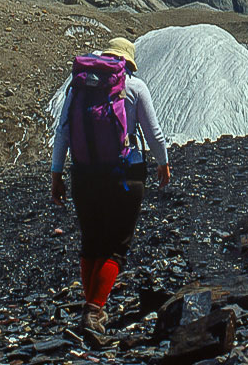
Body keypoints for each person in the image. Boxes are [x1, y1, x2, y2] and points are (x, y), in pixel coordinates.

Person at [50, 37, 171, 334]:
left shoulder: (78, 87)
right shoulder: (135, 88)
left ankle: (90, 304)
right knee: (116, 247)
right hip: (124, 176)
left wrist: (56, 174)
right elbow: (153, 133)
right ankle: (94, 311)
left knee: (91, 242)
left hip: (83, 175)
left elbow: (63, 131)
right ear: (129, 62)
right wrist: (163, 162)